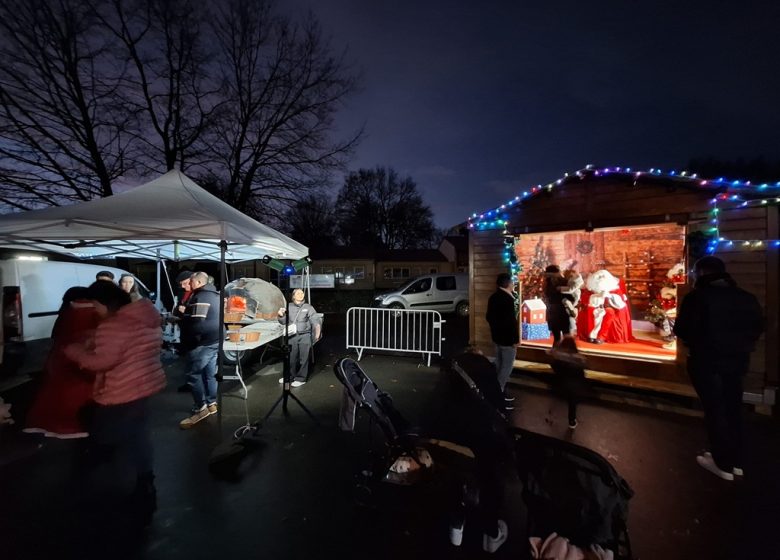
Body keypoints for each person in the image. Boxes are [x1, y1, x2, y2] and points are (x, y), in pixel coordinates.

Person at [63, 281, 166, 524]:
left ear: (105, 303)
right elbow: (130, 349)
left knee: (103, 436)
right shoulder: (146, 317)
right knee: (138, 436)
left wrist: (75, 351)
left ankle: (94, 494)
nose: (94, 311)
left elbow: (102, 362)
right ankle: (144, 483)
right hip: (144, 385)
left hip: (120, 390)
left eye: (95, 305)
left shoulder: (114, 325)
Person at [673, 256, 763, 481]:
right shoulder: (746, 298)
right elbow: (758, 327)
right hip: (738, 361)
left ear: (701, 273)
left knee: (714, 409)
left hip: (706, 361)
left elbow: (682, 329)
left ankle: (722, 462)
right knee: (733, 406)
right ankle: (737, 461)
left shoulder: (697, 298)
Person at [449, 348, 514, 553]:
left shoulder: (452, 368)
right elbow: (498, 404)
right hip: (481, 436)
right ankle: (491, 533)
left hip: (452, 432)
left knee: (456, 474)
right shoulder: (486, 370)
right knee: (492, 478)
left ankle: (456, 526)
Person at [23, 287, 100, 439]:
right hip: (82, 359)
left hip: (60, 358)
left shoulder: (67, 312)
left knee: (55, 392)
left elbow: (57, 334)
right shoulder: (93, 313)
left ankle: (45, 424)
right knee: (79, 395)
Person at [179, 271, 222, 428]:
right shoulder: (215, 294)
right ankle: (212, 403)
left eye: (190, 282)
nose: (188, 285)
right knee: (210, 374)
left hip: (202, 344)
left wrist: (183, 318)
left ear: (196, 282)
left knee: (193, 375)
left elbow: (198, 324)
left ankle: (201, 408)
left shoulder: (201, 297)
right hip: (215, 340)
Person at [485, 273, 519, 399]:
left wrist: (495, 329)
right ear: (508, 284)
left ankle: (496, 389)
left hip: (496, 337)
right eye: (512, 282)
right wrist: (515, 340)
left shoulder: (493, 297)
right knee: (506, 367)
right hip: (507, 339)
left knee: (499, 363)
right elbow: (510, 322)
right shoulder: (507, 299)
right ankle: (498, 393)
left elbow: (488, 317)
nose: (513, 284)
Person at [278, 289, 321, 387]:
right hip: (292, 336)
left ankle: (301, 379)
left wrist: (317, 332)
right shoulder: (288, 306)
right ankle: (289, 377)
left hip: (305, 336)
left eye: (302, 293)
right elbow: (283, 321)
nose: (301, 294)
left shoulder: (308, 307)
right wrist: (281, 315)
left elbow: (315, 320)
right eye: (298, 293)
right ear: (293, 296)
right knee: (291, 358)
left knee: (303, 358)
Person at [549, 335, 587, 429]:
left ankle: (552, 416)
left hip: (560, 383)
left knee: (559, 400)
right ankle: (572, 421)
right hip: (573, 386)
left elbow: (552, 363)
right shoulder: (578, 359)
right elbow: (582, 373)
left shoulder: (557, 357)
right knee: (572, 404)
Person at [543, 265, 570, 345]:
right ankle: (565, 351)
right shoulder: (563, 281)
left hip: (554, 309)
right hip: (561, 309)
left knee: (557, 335)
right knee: (565, 333)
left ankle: (557, 352)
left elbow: (547, 294)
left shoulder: (548, 282)